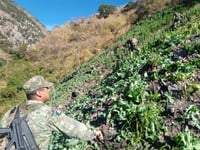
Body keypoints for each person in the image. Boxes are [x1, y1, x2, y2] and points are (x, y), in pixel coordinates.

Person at [0, 75, 103, 149]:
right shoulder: (47, 112)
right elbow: (74, 129)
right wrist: (94, 134)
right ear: (39, 93)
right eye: (46, 88)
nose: (49, 90)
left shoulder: (10, 112)